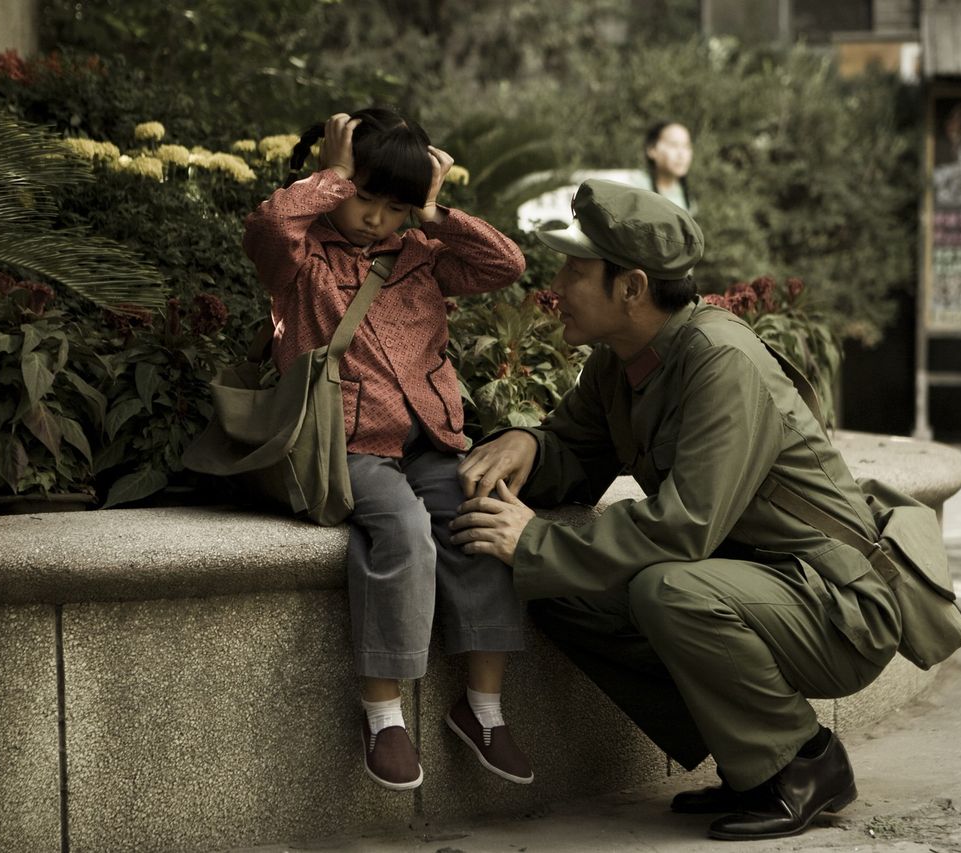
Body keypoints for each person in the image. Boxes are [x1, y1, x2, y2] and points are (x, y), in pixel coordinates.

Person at [448, 179, 902, 840]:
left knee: (664, 586)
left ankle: (804, 762)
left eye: (577, 269)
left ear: (631, 288)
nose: (559, 283)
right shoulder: (621, 361)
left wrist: (535, 543)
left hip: (838, 604)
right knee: (555, 586)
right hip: (756, 583)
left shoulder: (721, 363)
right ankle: (747, 753)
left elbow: (685, 526)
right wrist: (527, 442)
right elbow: (575, 450)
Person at [242, 107, 534, 792]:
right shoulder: (301, 258)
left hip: (430, 441)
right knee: (403, 531)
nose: (376, 217)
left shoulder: (421, 257)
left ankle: (483, 707)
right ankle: (383, 714)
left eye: (393, 205)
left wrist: (433, 212)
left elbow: (506, 264)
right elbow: (265, 228)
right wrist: (334, 176)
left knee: (484, 516)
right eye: (365, 198)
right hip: (344, 445)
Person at [624, 120, 694, 212]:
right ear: (651, 150)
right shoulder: (631, 186)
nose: (681, 154)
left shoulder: (687, 199)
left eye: (686, 146)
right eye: (673, 145)